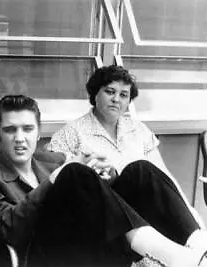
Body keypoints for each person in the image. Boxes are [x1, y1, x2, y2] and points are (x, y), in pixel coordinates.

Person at [0, 94, 207, 267]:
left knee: (140, 170)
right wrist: (60, 177)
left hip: (90, 244)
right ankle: (169, 255)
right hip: (42, 257)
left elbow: (99, 198)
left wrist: (107, 175)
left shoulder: (51, 159)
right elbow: (7, 227)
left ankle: (199, 246)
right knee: (72, 173)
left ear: (38, 132)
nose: (19, 138)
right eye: (10, 130)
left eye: (27, 129)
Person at [46, 65, 203, 225]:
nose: (116, 99)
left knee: (144, 170)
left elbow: (164, 177)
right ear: (95, 94)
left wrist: (189, 211)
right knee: (140, 169)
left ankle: (196, 238)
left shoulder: (138, 129)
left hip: (146, 211)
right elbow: (58, 182)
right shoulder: (71, 132)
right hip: (103, 213)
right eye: (110, 91)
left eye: (123, 95)